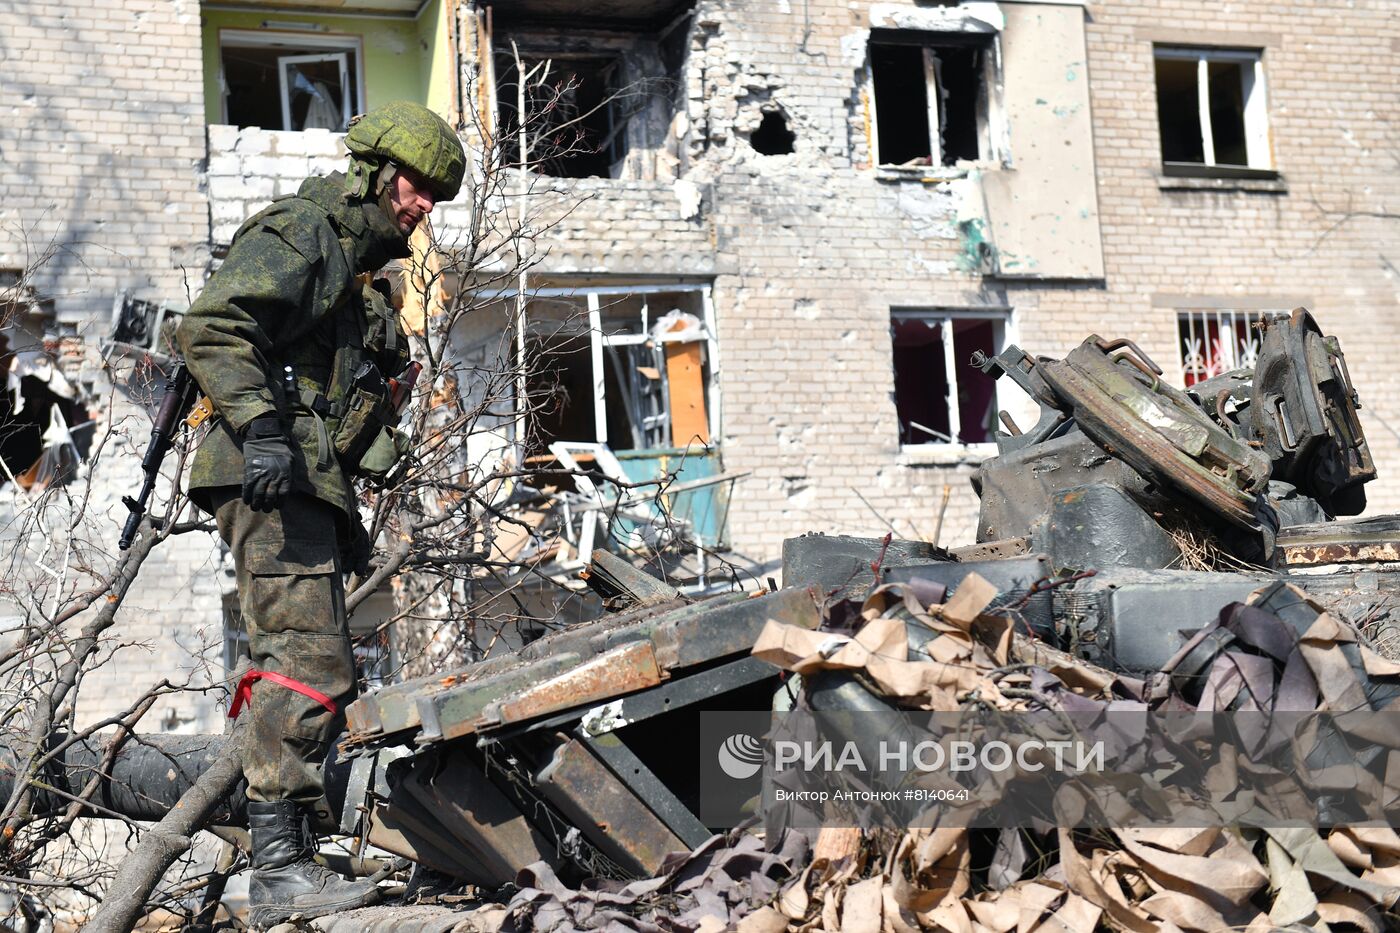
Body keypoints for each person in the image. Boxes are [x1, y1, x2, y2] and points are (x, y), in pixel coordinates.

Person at [176, 101, 465, 927]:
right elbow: (214, 322)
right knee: (309, 661)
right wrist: (262, 426)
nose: (422, 207)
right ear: (377, 173)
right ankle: (280, 870)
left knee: (305, 660)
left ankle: (289, 853)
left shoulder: (362, 271)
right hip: (269, 475)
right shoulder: (305, 231)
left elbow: (345, 399)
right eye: (416, 188)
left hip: (304, 480)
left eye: (435, 197)